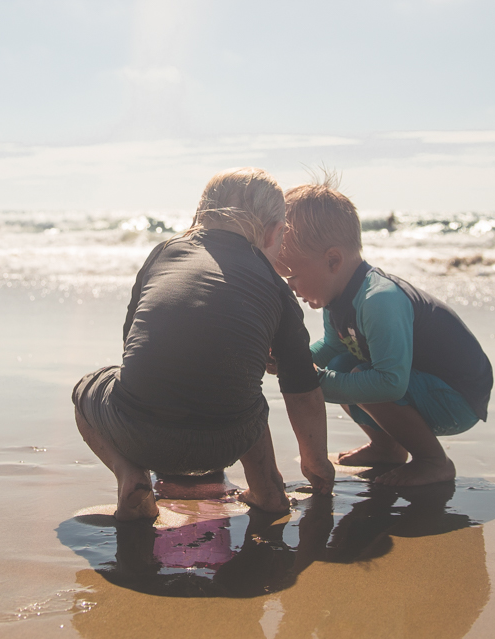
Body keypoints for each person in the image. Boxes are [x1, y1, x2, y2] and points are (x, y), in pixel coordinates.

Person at [72, 168, 334, 522]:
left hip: (139, 434)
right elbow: (302, 390)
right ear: (274, 232)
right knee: (245, 388)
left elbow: (132, 343)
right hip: (228, 441)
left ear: (199, 216)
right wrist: (316, 463)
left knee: (84, 389)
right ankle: (267, 489)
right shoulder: (275, 287)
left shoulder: (165, 253)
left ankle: (129, 475)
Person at [278, 179, 493, 487]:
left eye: (293, 276)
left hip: (459, 398)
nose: (291, 287)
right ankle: (388, 448)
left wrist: (317, 381)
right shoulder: (335, 299)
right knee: (342, 366)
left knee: (361, 375)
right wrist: (294, 361)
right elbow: (334, 346)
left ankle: (434, 461)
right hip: (421, 383)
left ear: (332, 260)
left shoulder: (379, 299)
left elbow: (390, 384)